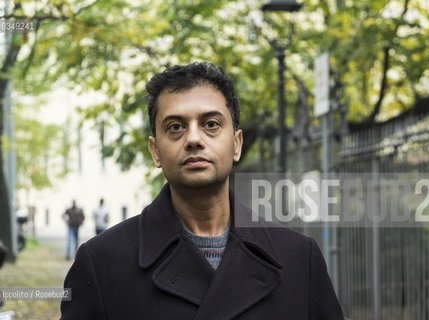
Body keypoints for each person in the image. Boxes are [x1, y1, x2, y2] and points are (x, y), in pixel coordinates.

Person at [61, 62, 344, 319]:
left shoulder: (297, 259)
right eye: (175, 127)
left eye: (211, 124)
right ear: (155, 151)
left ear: (237, 144)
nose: (194, 138)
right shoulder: (103, 264)